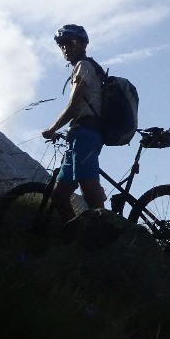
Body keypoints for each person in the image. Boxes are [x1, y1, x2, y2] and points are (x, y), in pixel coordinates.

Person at [42, 24, 106, 220]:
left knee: (88, 188)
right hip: (78, 135)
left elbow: (73, 107)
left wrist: (52, 129)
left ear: (83, 44)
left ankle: (105, 233)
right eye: (61, 45)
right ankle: (76, 236)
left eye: (71, 43)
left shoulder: (84, 67)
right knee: (59, 195)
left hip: (86, 134)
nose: (65, 48)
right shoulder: (83, 67)